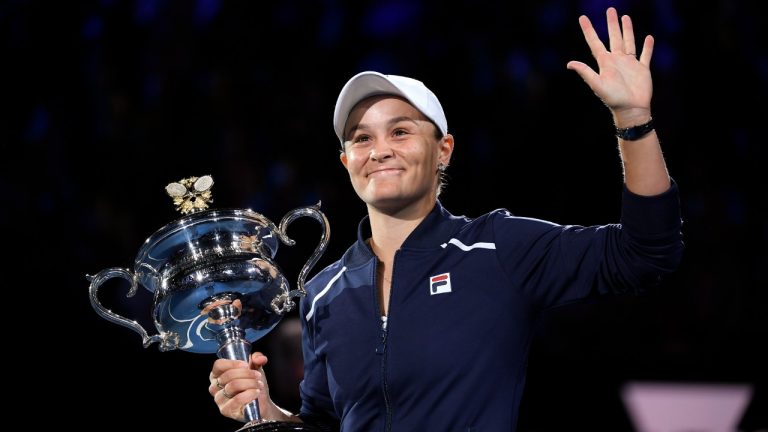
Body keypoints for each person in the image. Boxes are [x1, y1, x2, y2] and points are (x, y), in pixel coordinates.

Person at [208, 7, 684, 431]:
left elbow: (645, 252)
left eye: (400, 131)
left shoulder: (497, 249)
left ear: (443, 151)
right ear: (346, 162)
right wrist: (271, 414)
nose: (380, 151)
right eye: (361, 138)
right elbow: (325, 422)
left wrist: (632, 118)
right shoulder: (322, 294)